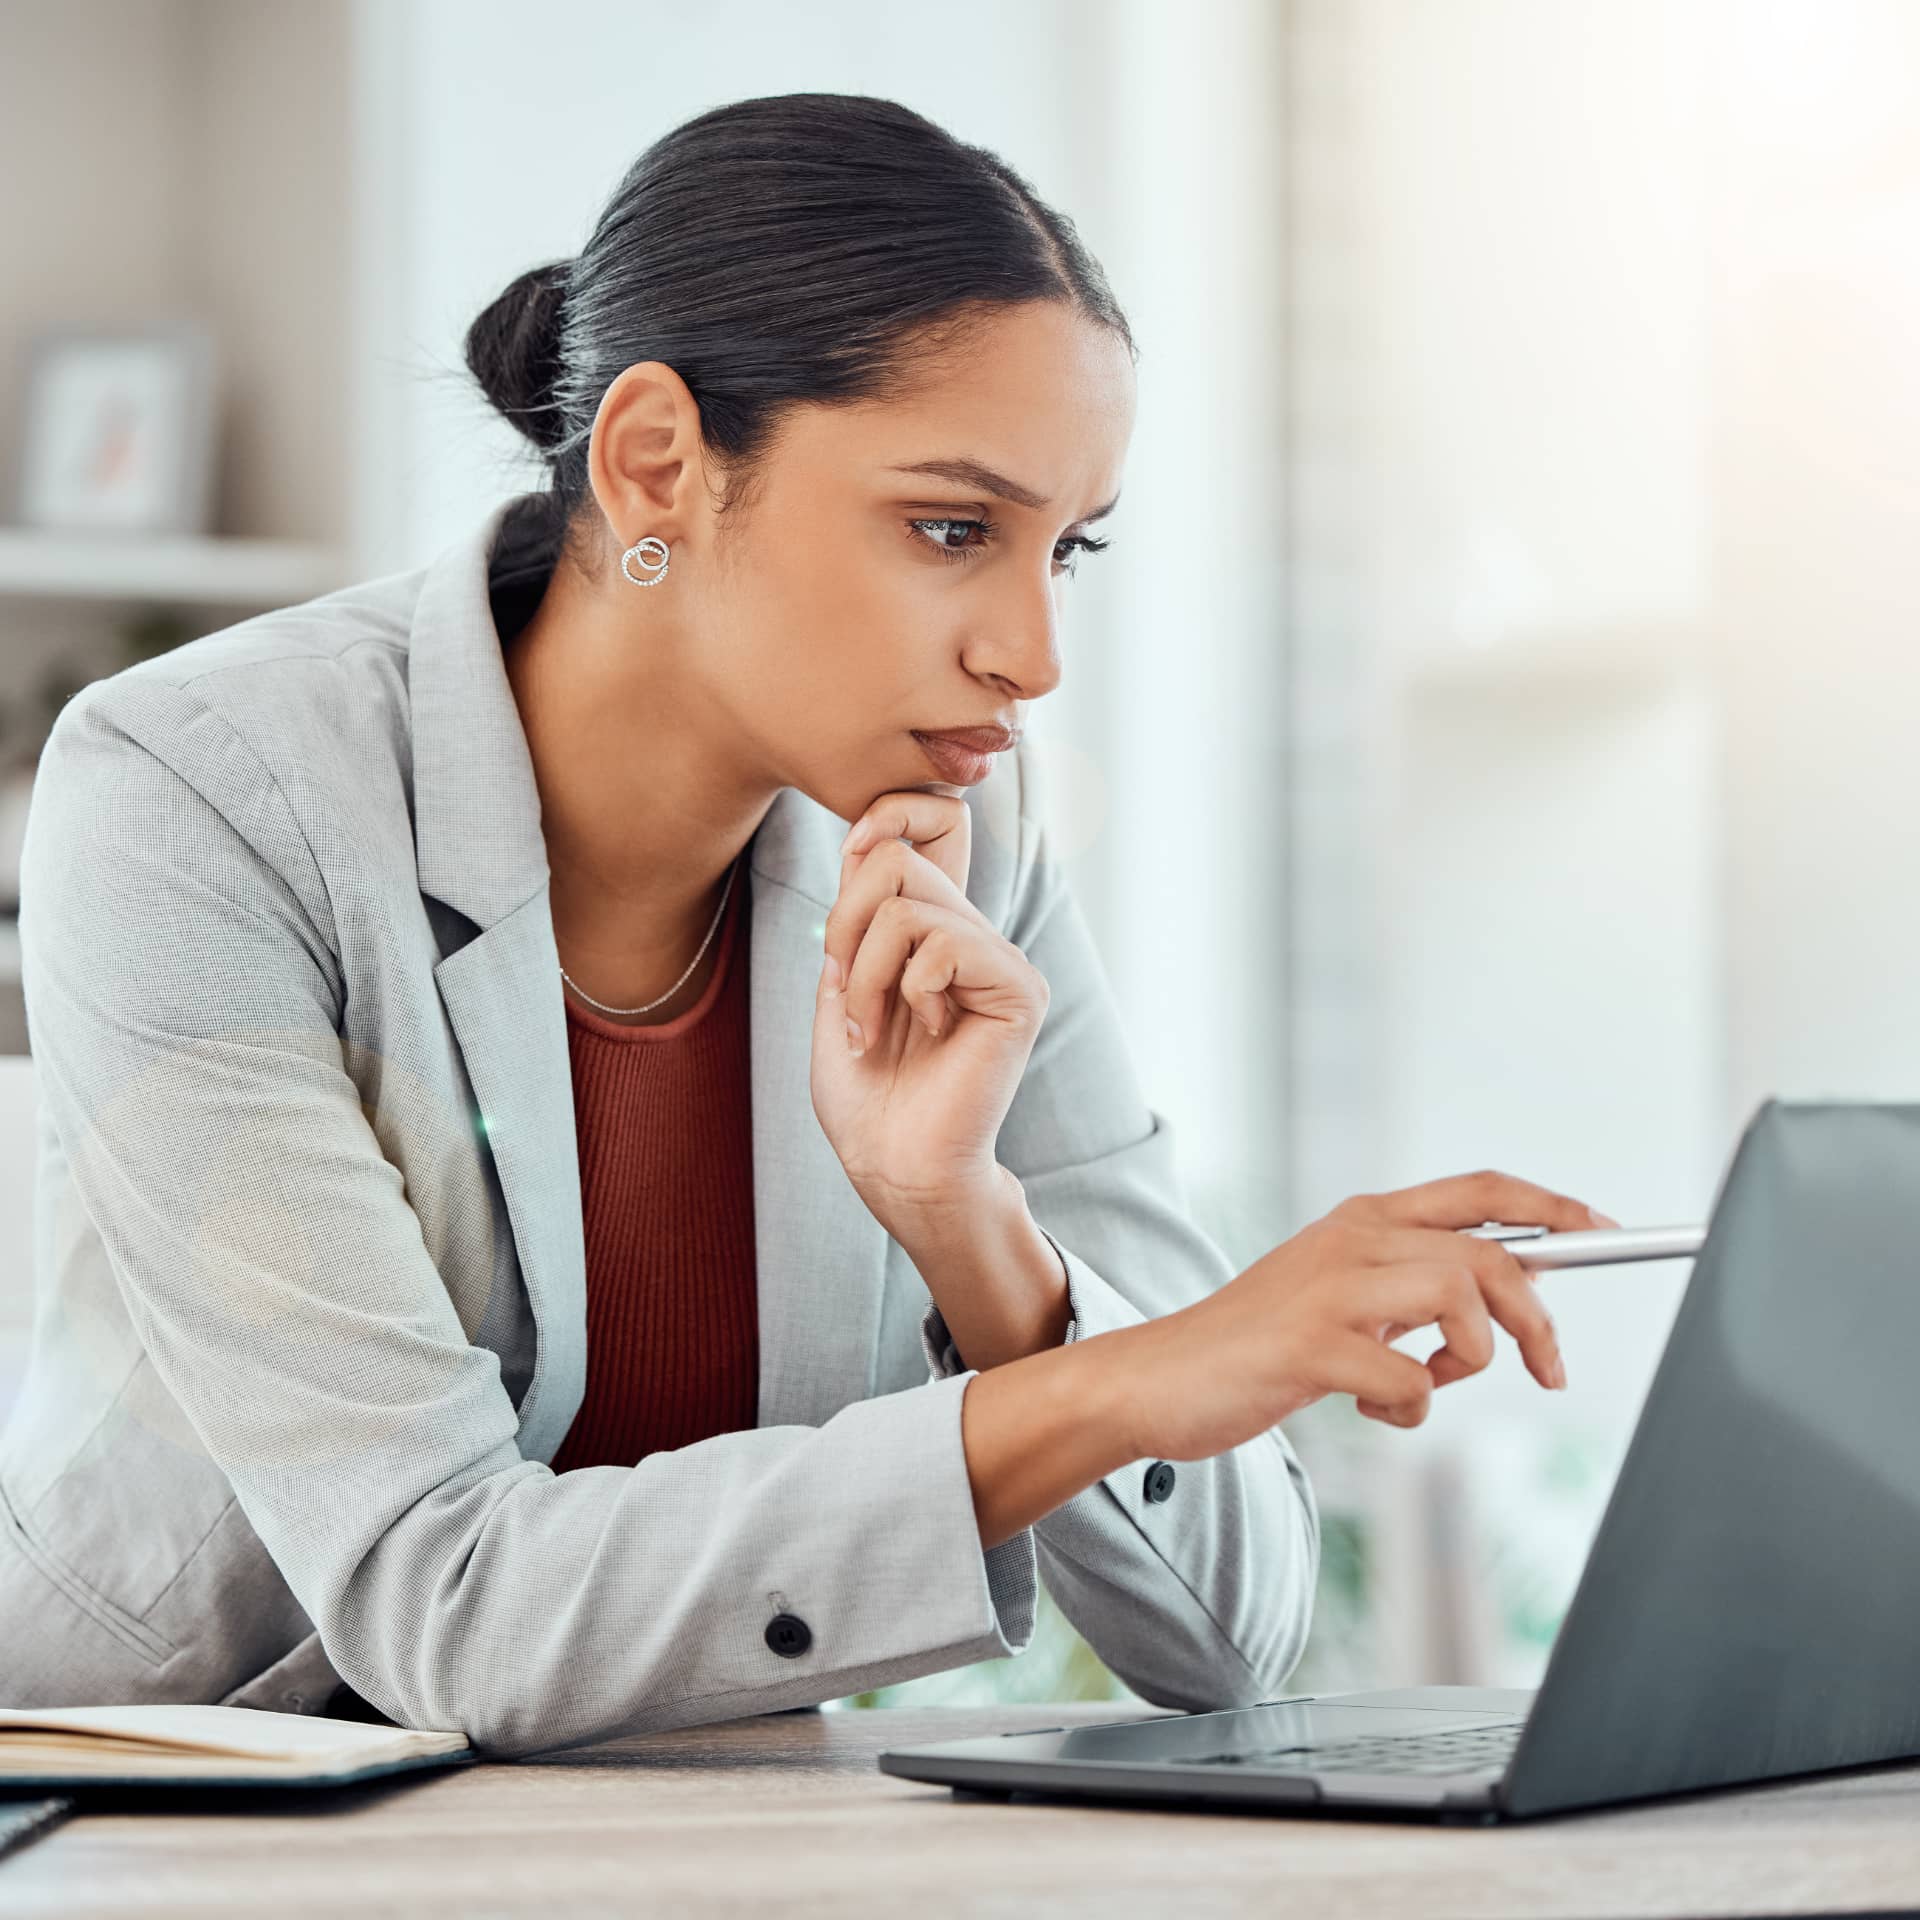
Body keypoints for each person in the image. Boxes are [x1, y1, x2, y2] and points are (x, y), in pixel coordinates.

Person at [0, 92, 1611, 1757]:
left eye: (1072, 547)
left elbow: (1232, 1637)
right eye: (951, 528)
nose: (1033, 651)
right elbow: (446, 1598)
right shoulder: (194, 796)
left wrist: (972, 1227)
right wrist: (1118, 1380)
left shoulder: (970, 836)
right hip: (175, 1817)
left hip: (719, 1823)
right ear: (654, 466)